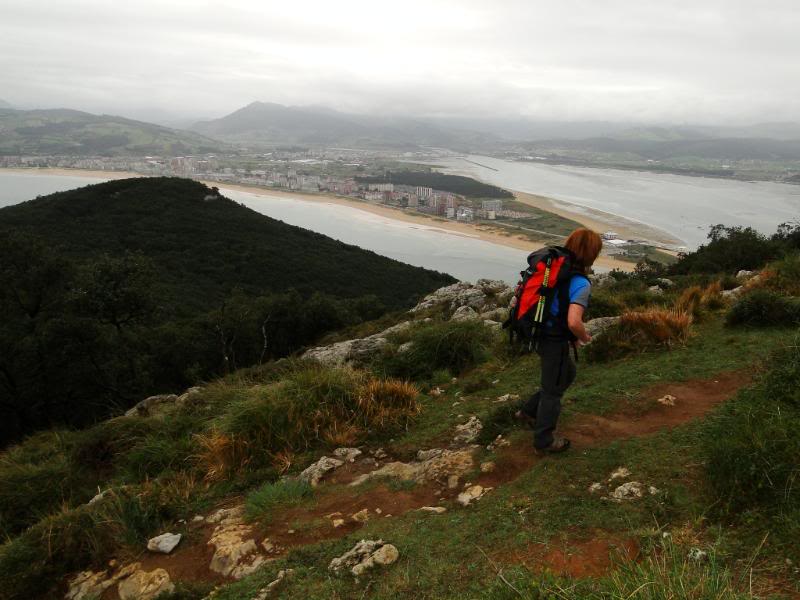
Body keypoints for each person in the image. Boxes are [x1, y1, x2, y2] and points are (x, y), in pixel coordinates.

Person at [515, 228, 603, 454]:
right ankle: (544, 441)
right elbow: (574, 321)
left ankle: (528, 412)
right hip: (553, 339)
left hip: (538, 331)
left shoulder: (555, 269)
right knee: (552, 390)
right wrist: (584, 337)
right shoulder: (581, 283)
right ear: (592, 254)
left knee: (567, 373)